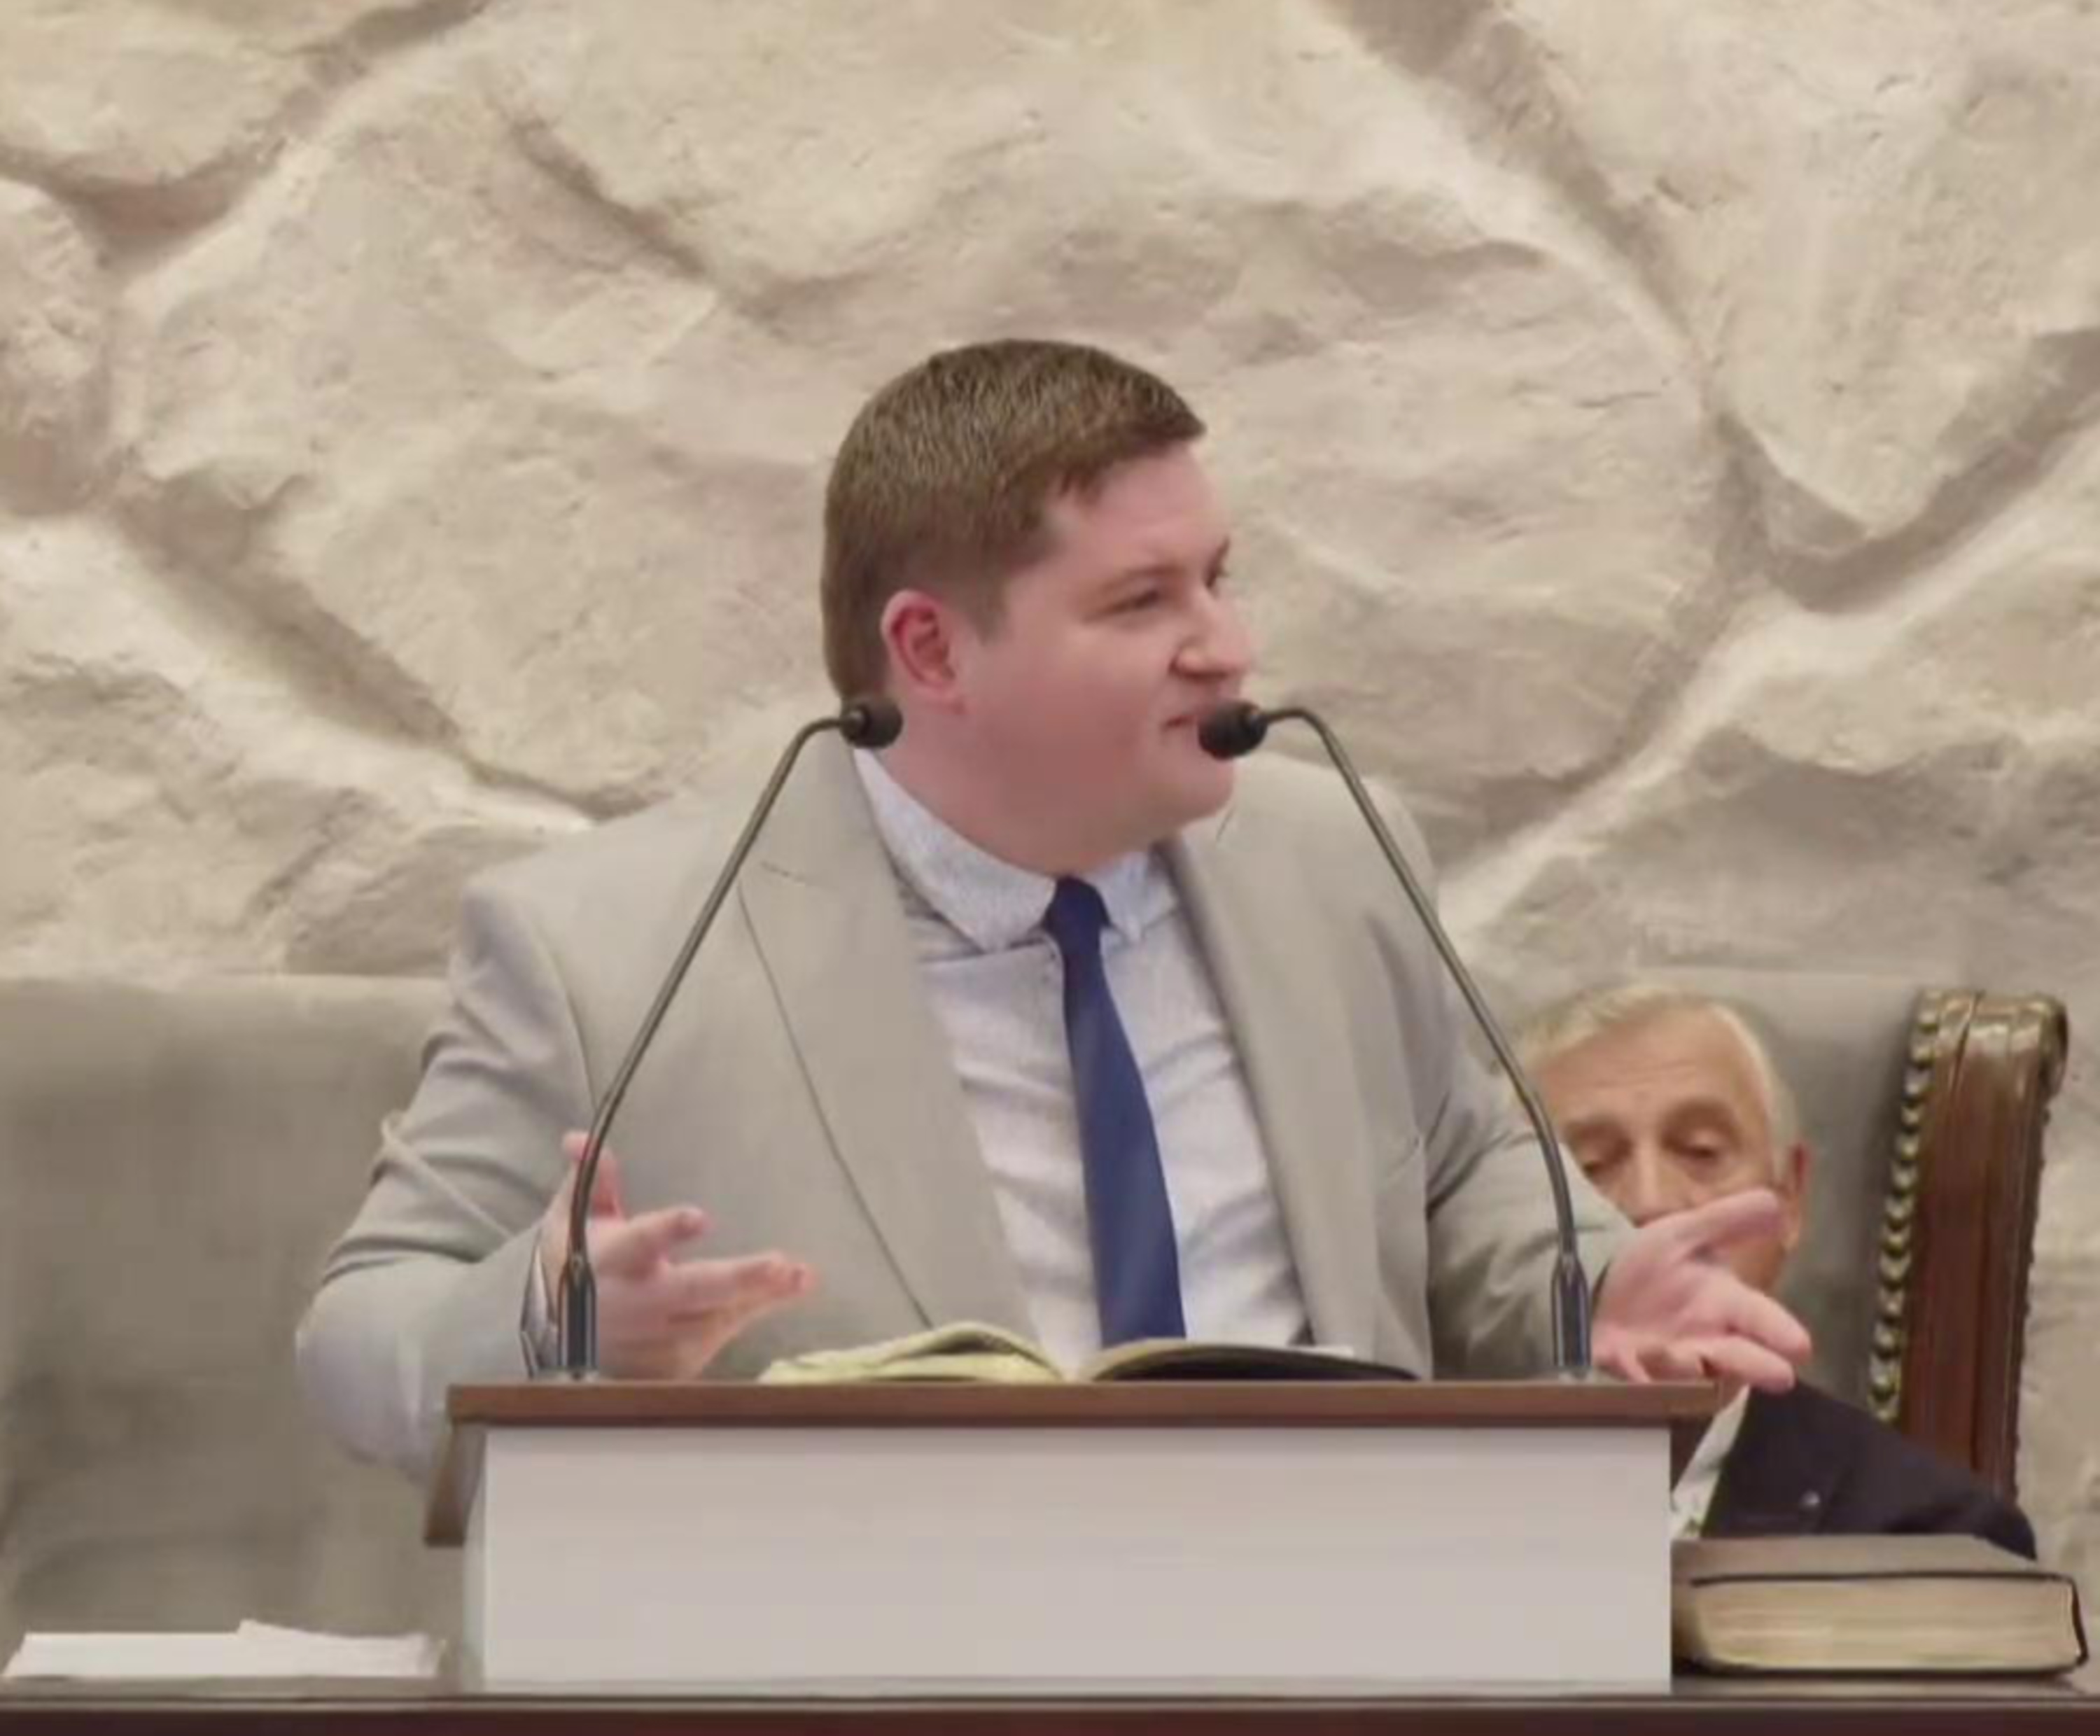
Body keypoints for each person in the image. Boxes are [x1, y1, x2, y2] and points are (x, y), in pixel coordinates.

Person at [298, 340, 1810, 1478]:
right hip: (868, 1721)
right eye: (1143, 602)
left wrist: (1595, 1281)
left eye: (1218, 579)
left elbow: (1462, 1177)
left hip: (1342, 1674)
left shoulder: (1335, 856)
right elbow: (359, 1334)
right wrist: (556, 1326)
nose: (1227, 647)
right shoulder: (604, 951)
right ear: (930, 652)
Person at [1518, 982, 2033, 1552]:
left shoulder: (1931, 1534)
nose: (1651, 1202)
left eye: (1701, 1151)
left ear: (1789, 1197)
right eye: (1589, 1166)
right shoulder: (1447, 1488)